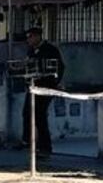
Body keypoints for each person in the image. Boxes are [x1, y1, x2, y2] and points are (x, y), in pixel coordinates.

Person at [22, 27, 64, 155]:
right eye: (28, 37)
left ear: (38, 36)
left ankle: (45, 146)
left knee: (40, 115)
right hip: (33, 86)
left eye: (31, 37)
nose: (29, 39)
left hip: (46, 87)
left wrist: (53, 82)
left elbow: (59, 67)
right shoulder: (31, 50)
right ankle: (27, 141)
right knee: (27, 113)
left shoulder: (50, 50)